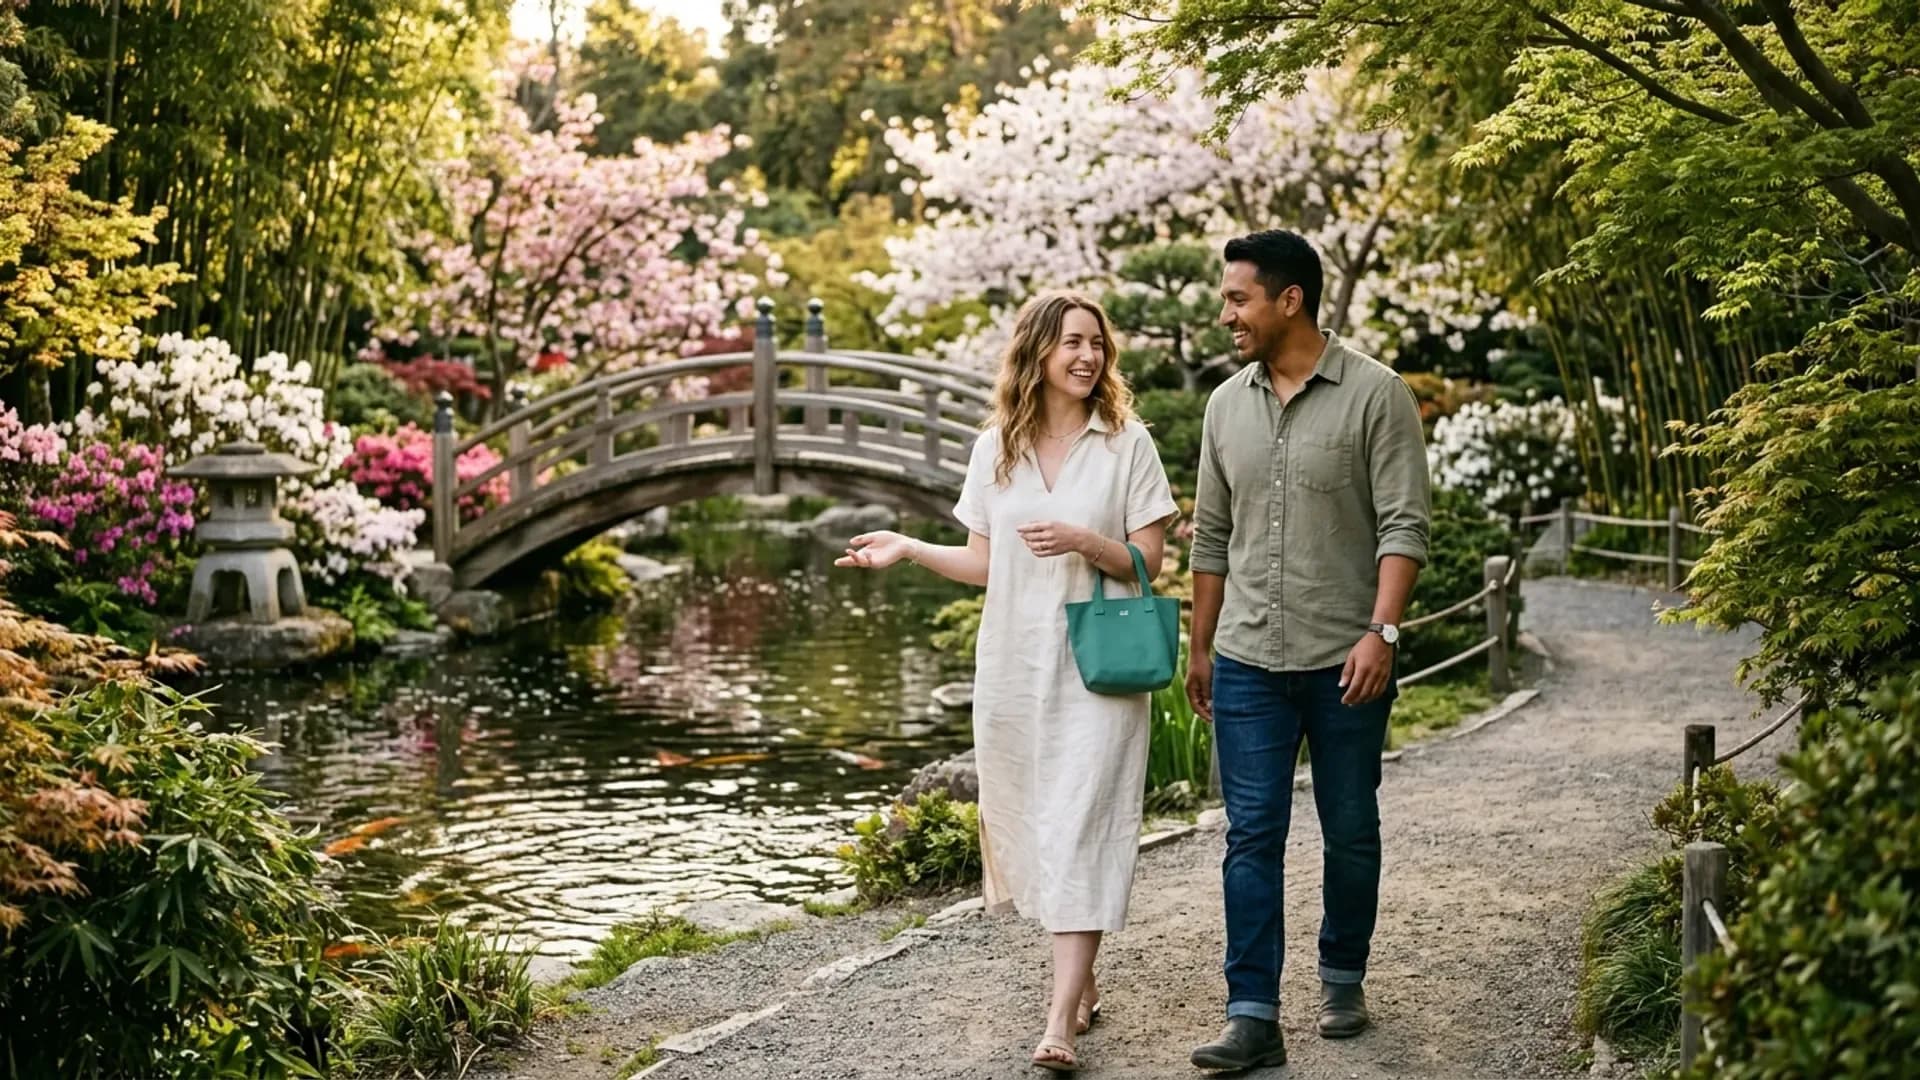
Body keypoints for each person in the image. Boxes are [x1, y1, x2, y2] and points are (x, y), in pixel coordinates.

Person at [837, 291, 1178, 1072]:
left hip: (1100, 670)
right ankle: (1081, 977)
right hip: (1015, 669)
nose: (1087, 357)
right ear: (1037, 354)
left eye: (1096, 343)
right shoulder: (997, 448)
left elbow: (1148, 561)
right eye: (1071, 344)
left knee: (1083, 824)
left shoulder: (1129, 445)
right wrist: (909, 548)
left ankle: (1059, 1019)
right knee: (1038, 822)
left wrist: (1085, 540)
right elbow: (984, 564)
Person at [1185, 230, 1431, 1071]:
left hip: (1345, 658)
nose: (1226, 315)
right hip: (1250, 658)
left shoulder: (1377, 396)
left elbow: (1404, 524)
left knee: (1350, 826)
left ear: (1290, 300)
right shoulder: (1224, 407)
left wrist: (1382, 632)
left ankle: (1342, 974)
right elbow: (1210, 537)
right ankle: (1251, 1013)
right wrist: (1201, 646)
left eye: (1237, 299)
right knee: (1250, 834)